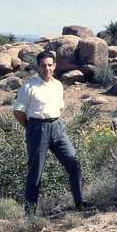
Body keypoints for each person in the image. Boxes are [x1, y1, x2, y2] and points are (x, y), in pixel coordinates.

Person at [13, 51, 84, 214]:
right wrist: (31, 128)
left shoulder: (58, 85)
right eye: (43, 65)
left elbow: (60, 107)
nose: (47, 68)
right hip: (37, 129)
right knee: (35, 173)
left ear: (55, 66)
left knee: (74, 162)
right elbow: (17, 111)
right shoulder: (29, 87)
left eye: (50, 65)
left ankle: (79, 203)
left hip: (57, 127)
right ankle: (30, 215)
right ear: (38, 67)